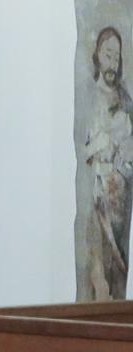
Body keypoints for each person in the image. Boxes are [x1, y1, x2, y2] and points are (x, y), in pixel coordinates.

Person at [82, 27, 133, 300]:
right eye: (107, 54)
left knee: (119, 272)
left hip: (122, 201)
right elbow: (84, 150)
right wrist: (102, 144)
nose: (112, 62)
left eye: (116, 56)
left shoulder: (126, 100)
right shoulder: (89, 97)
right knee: (99, 272)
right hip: (98, 198)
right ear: (97, 55)